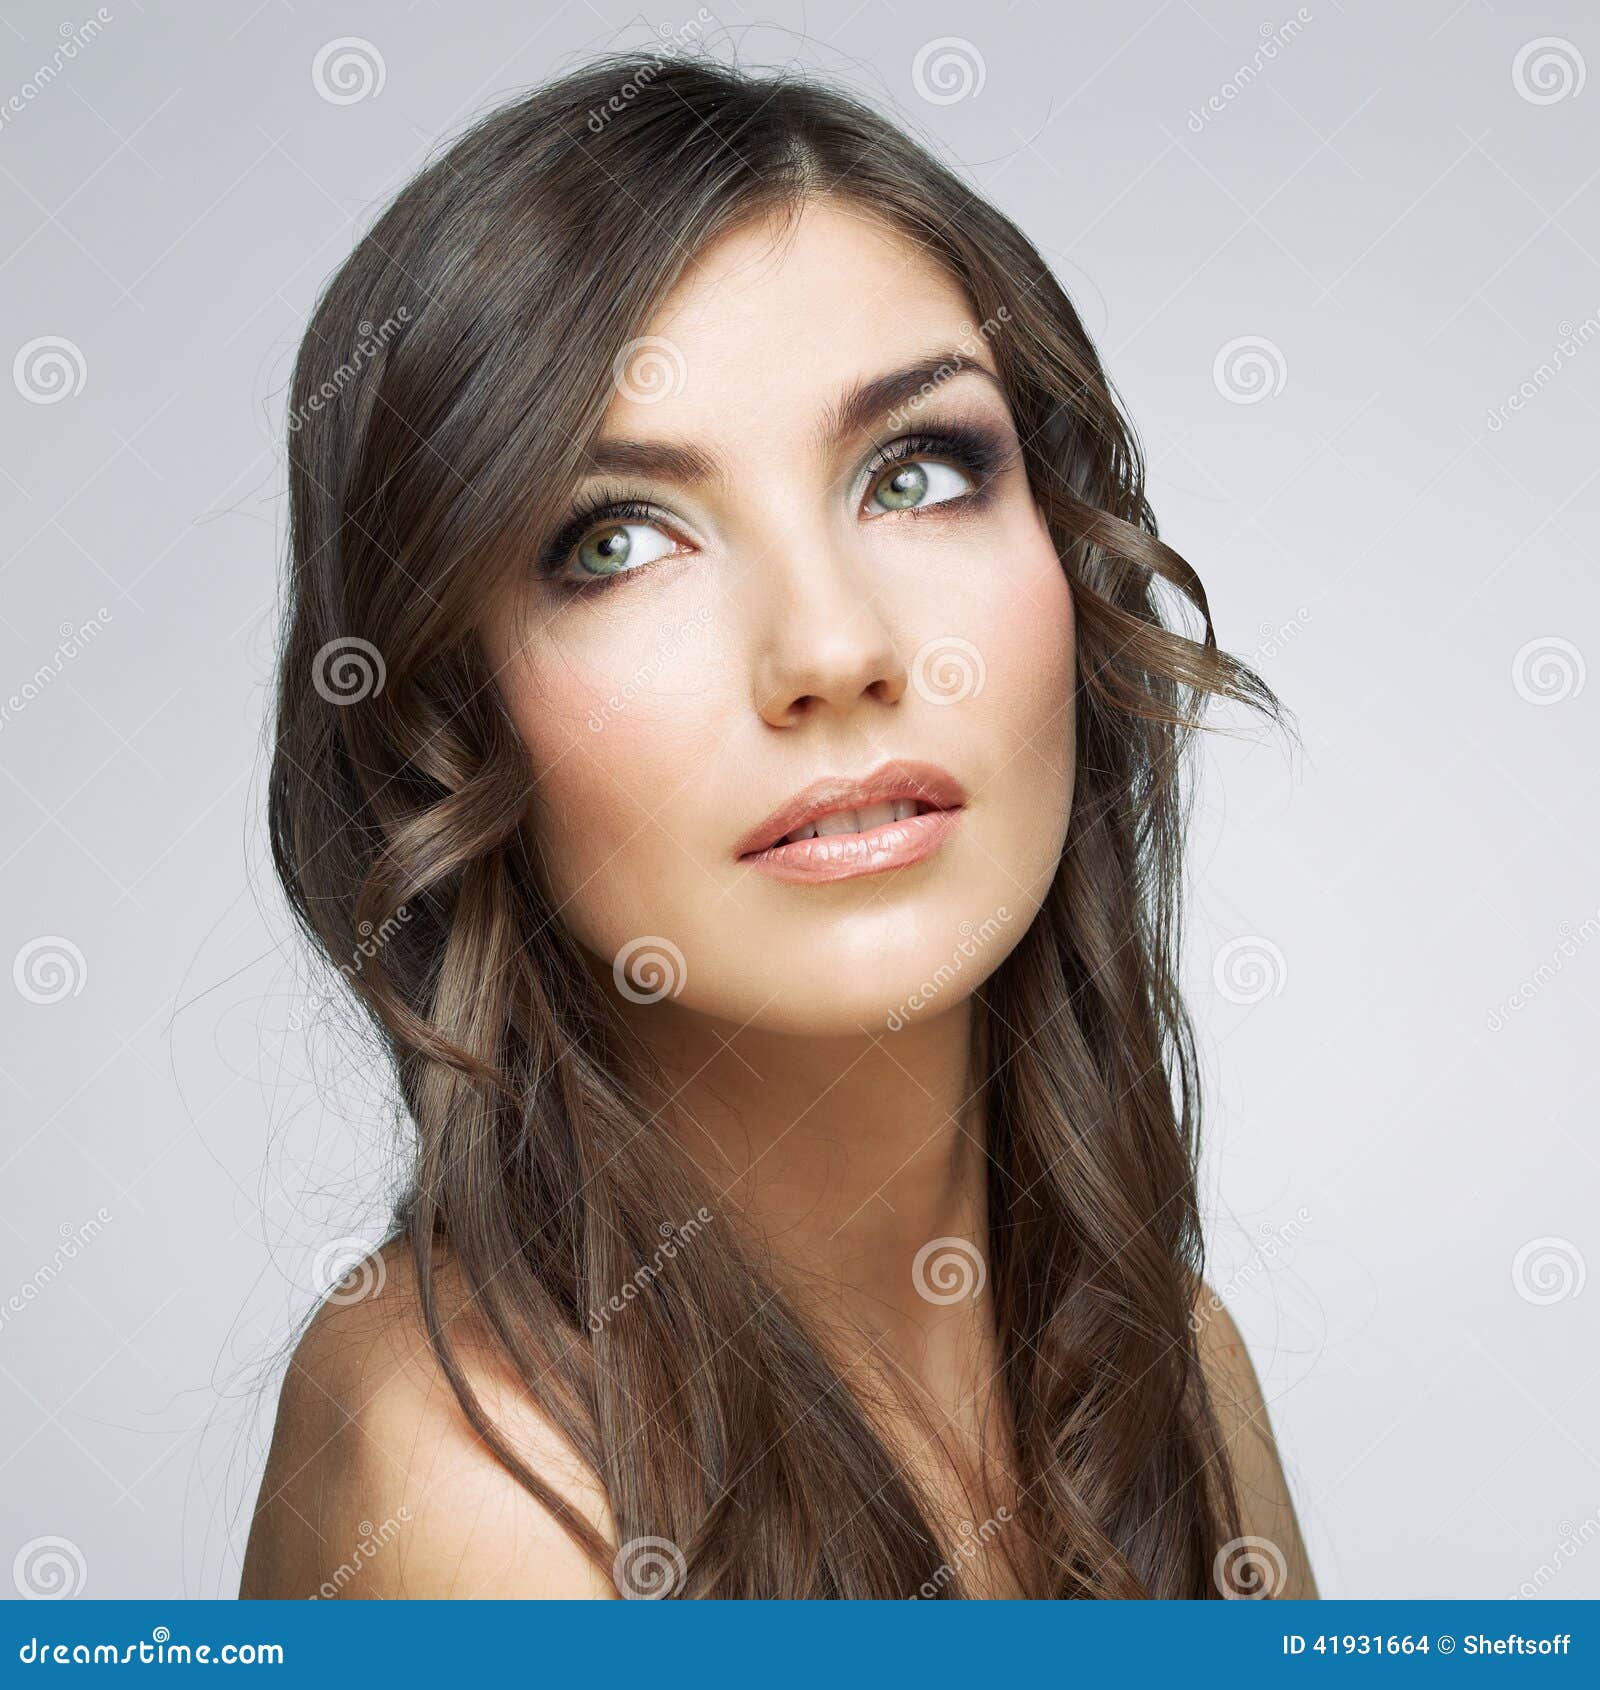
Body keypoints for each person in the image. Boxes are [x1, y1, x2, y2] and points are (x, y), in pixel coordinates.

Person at [241, 52, 1315, 1600]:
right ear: (449, 715)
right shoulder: (487, 1499)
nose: (833, 648)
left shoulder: (1173, 1362)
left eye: (919, 469)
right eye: (616, 537)